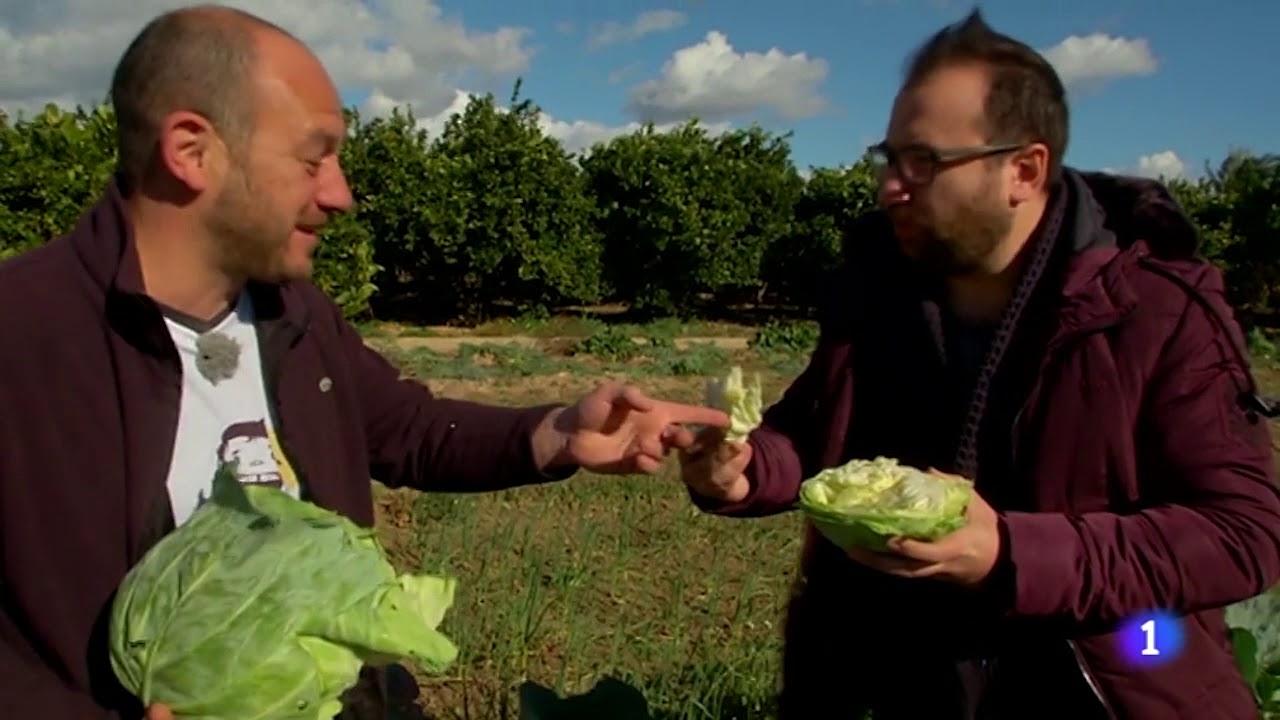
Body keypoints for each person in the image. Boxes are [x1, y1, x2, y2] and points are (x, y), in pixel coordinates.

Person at [0, 6, 729, 720]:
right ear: (192, 151)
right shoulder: (24, 333)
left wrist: (561, 432)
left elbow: (405, 427)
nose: (340, 194)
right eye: (314, 158)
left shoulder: (296, 313)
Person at [681, 10, 1280, 720]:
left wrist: (1012, 552)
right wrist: (740, 469)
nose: (890, 187)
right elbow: (813, 437)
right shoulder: (880, 291)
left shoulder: (1156, 312)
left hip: (1099, 685)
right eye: (889, 157)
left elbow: (1244, 534)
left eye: (924, 162)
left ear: (1023, 170)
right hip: (889, 684)